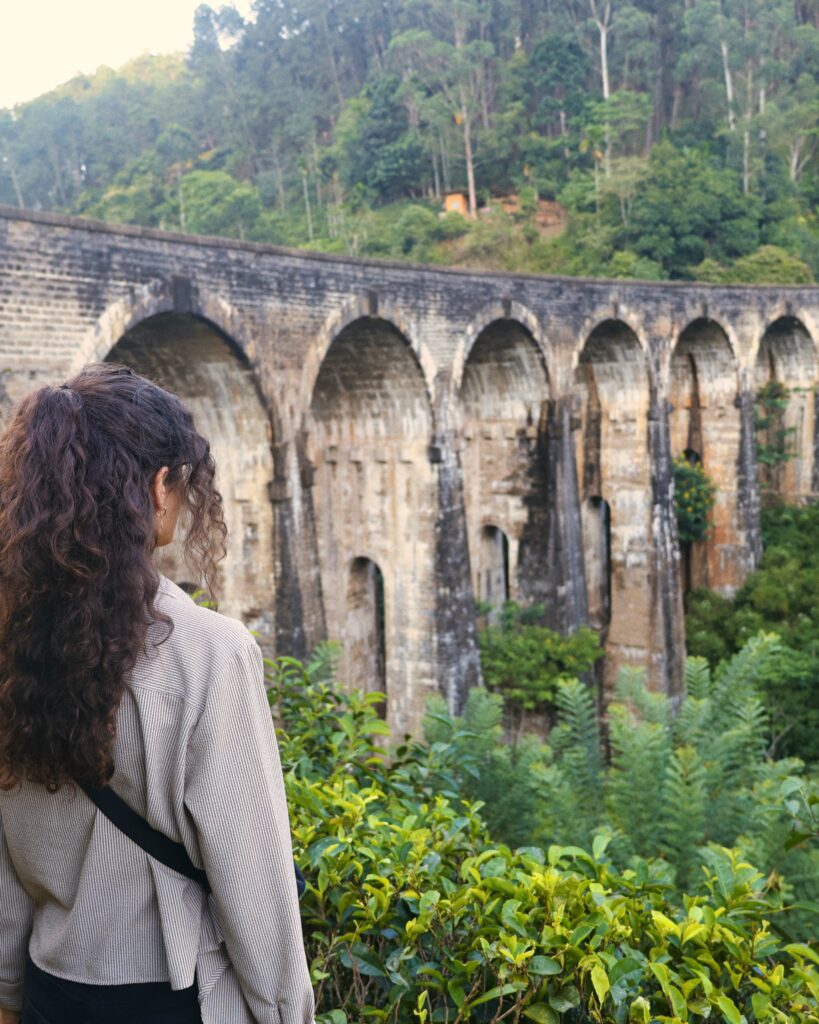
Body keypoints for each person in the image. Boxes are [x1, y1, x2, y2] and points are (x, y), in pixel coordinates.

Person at [0, 364, 315, 1024]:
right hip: (170, 996)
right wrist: (287, 1013)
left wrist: (7, 990)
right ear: (155, 488)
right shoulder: (210, 652)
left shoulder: (11, 635)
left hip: (49, 991)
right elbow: (253, 885)